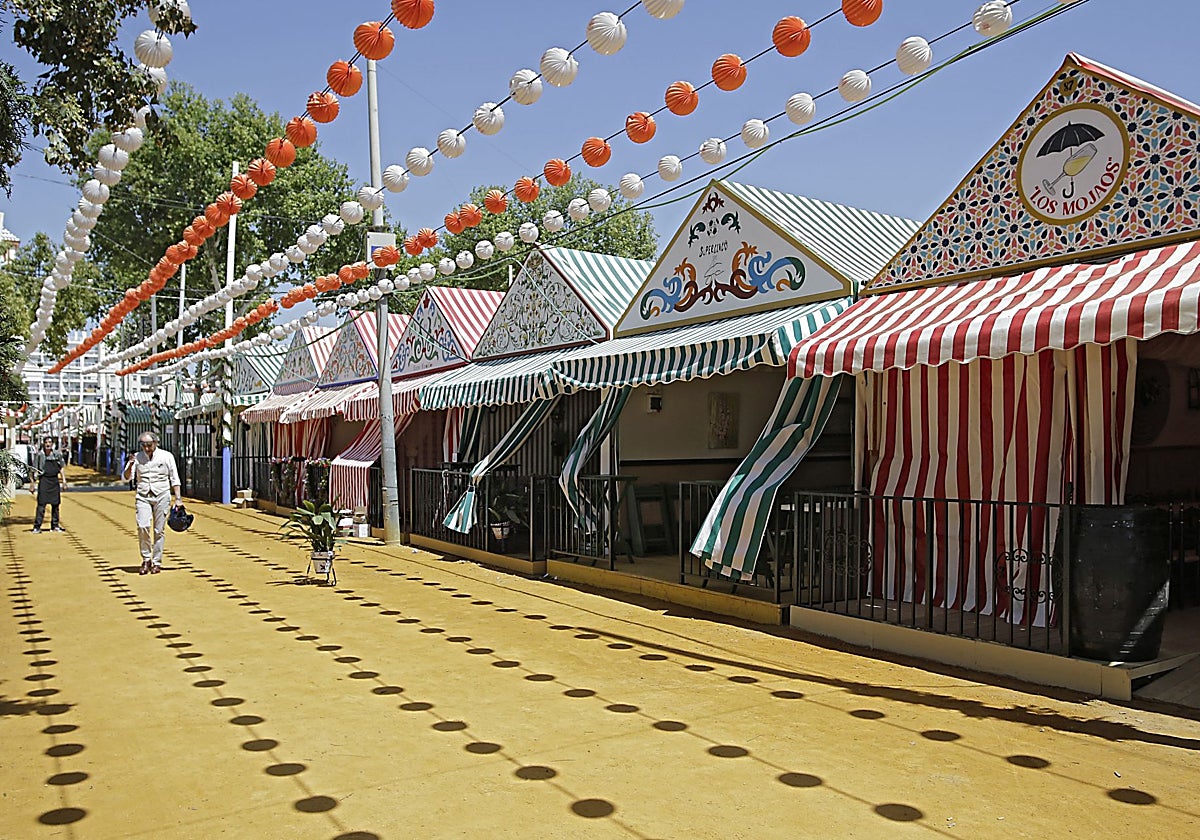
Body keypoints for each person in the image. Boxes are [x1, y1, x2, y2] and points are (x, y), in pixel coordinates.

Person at [122, 432, 182, 575]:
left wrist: (178, 498)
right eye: (143, 445)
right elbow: (126, 478)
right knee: (143, 526)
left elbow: (174, 478)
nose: (147, 448)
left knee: (159, 530)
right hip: (143, 495)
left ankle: (156, 561)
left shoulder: (166, 456)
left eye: (149, 445)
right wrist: (130, 465)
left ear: (156, 443)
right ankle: (146, 559)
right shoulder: (137, 457)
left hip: (162, 495)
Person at [30, 438, 66, 533]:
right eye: (46, 442)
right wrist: (32, 484)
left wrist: (64, 481)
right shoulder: (39, 455)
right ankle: (37, 526)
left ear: (52, 444)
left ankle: (55, 525)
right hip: (44, 481)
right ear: (43, 444)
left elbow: (61, 468)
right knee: (41, 505)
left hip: (54, 481)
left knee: (56, 505)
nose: (48, 444)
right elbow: (33, 470)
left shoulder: (57, 454)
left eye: (49, 442)